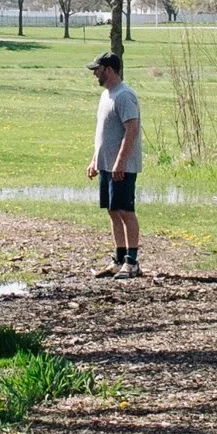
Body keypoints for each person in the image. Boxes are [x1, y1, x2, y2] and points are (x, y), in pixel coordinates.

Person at [87, 51, 142, 277]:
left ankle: (132, 261)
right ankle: (118, 260)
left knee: (126, 211)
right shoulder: (106, 96)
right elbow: (104, 132)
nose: (95, 75)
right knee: (112, 211)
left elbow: (132, 129)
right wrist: (94, 160)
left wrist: (121, 161)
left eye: (97, 70)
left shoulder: (125, 95)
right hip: (106, 165)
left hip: (122, 166)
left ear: (108, 70)